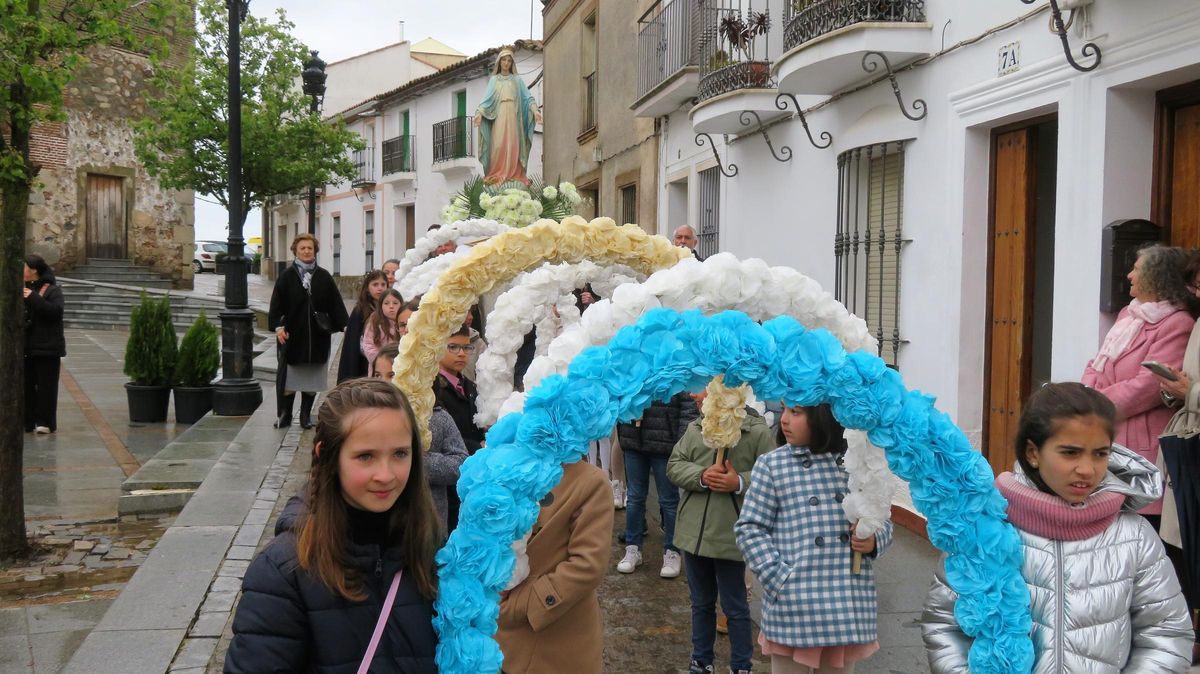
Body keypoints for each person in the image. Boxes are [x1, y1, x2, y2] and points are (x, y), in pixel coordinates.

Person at [922, 382, 1193, 672]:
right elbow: (945, 626)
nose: (1087, 469)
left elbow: (1166, 634)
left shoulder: (1135, 537)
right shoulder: (984, 530)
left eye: (1100, 453)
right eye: (1070, 453)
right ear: (1033, 453)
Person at [224, 379, 440, 673]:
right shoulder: (283, 571)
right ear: (327, 455)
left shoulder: (431, 546)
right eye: (366, 456)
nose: (386, 474)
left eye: (400, 454)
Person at [736, 403, 892, 674]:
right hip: (795, 602)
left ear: (823, 416)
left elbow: (883, 517)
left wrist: (874, 539)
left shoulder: (855, 465)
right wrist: (779, 579)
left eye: (795, 412)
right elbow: (749, 528)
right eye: (783, 410)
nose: (783, 420)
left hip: (845, 603)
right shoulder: (773, 465)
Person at [1082, 244, 1194, 520]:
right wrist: (1082, 395)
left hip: (1140, 445)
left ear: (1158, 277)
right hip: (1106, 432)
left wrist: (1095, 404)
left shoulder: (1177, 323)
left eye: (1137, 269)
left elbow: (1149, 384)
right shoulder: (1128, 315)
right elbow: (1099, 362)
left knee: (1140, 525)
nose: (1129, 275)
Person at [672, 390, 776, 674]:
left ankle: (741, 665)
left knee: (735, 606)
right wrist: (702, 476)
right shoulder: (696, 427)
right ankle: (701, 660)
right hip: (694, 533)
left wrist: (739, 481)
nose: (694, 394)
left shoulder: (755, 431)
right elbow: (675, 465)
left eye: (702, 387)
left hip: (731, 532)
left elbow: (773, 474)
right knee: (701, 604)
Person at [496, 460, 614, 674]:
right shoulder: (506, 465)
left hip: (554, 638)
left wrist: (516, 606)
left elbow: (587, 566)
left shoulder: (589, 482)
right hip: (501, 639)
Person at [372, 343, 469, 536]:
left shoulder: (437, 418)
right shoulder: (367, 418)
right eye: (377, 375)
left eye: (391, 375)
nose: (383, 382)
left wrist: (416, 460)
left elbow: (461, 463)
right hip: (380, 522)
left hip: (425, 524)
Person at [268, 234, 349, 429]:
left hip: (317, 337)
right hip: (292, 337)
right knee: (289, 381)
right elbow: (276, 306)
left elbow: (336, 305)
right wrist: (278, 327)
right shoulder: (286, 277)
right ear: (295, 250)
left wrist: (346, 326)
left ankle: (305, 416)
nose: (306, 251)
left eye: (310, 248)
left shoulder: (324, 277)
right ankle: (285, 415)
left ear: (315, 251)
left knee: (312, 382)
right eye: (302, 248)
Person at [615, 392, 697, 578]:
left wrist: (681, 442)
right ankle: (632, 548)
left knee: (668, 500)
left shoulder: (673, 363)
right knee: (634, 497)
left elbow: (687, 403)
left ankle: (672, 551)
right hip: (633, 438)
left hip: (665, 441)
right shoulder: (630, 363)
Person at [474, 47, 542, 185]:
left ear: (512, 64)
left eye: (509, 61)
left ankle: (514, 175)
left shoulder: (516, 80)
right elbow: (486, 100)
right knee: (498, 145)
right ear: (499, 62)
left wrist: (535, 111)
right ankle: (496, 174)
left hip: (513, 115)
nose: (506, 63)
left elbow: (528, 98)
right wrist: (480, 113)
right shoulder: (494, 80)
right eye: (504, 60)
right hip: (499, 115)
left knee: (513, 144)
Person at [23, 254, 65, 434]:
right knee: (26, 386)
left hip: (48, 347)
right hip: (26, 346)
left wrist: (33, 297)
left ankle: (45, 422)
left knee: (46, 387)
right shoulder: (20, 289)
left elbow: (55, 312)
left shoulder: (52, 290)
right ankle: (27, 421)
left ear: (34, 270)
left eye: (24, 267)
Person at [336, 270, 387, 383]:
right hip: (362, 363)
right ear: (367, 288)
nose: (380, 288)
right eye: (375, 284)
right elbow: (352, 343)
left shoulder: (388, 308)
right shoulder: (360, 310)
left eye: (383, 284)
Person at [362, 288, 404, 375]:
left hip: (400, 366)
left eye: (395, 303)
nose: (391, 306)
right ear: (381, 306)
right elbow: (368, 345)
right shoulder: (374, 321)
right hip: (379, 368)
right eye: (386, 303)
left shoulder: (405, 322)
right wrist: (381, 359)